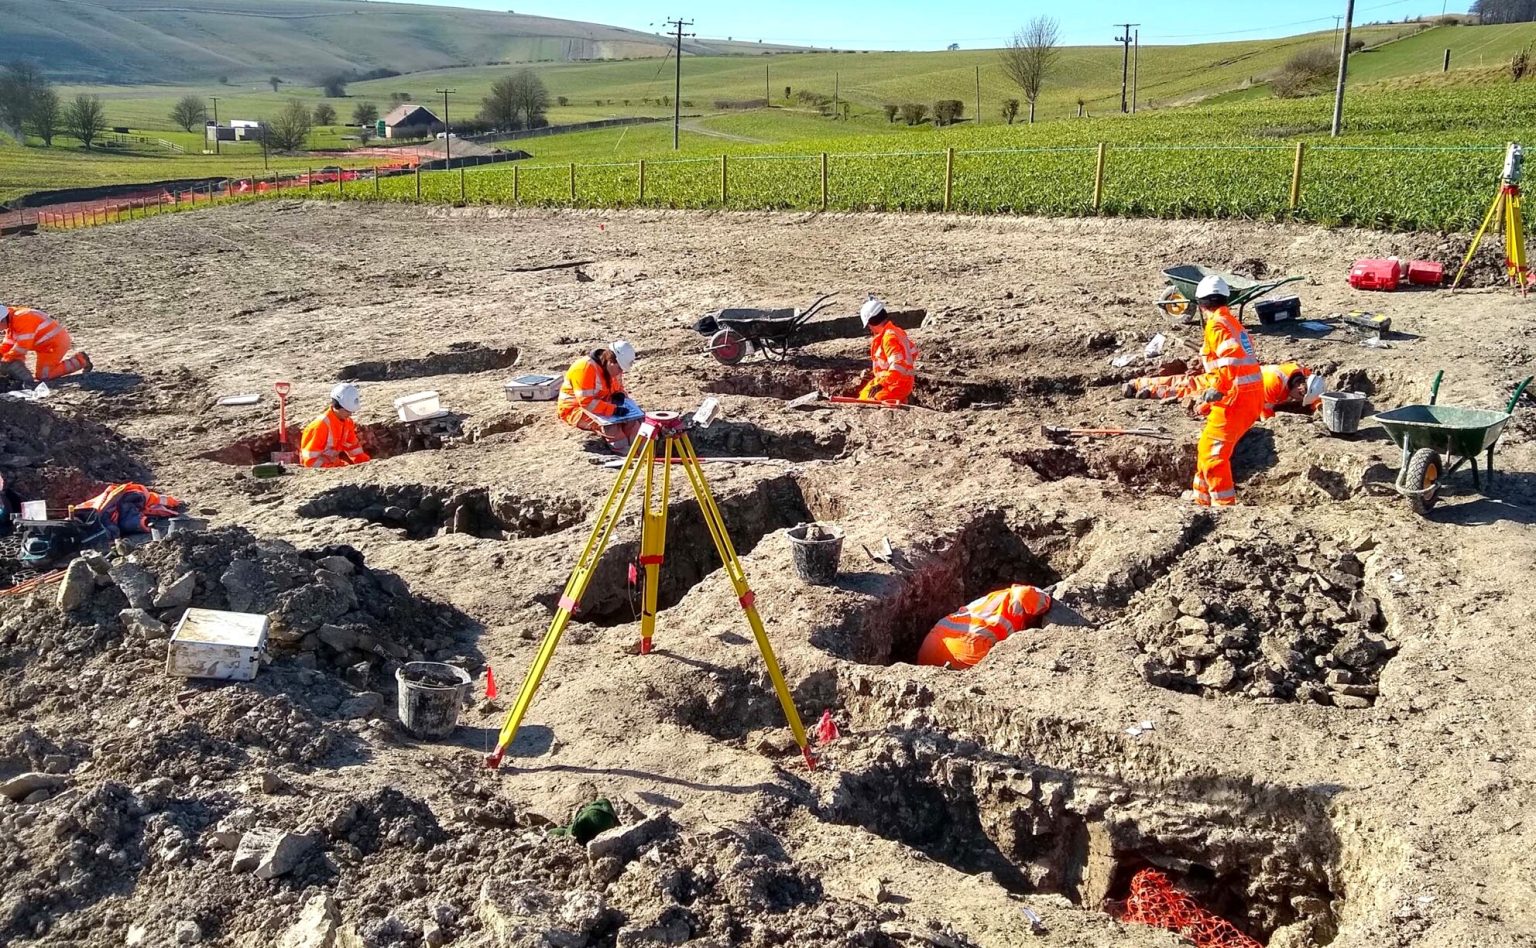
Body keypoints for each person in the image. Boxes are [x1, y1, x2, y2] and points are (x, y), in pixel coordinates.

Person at [1187, 275, 1264, 507]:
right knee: (1206, 447)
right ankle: (1201, 501)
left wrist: (1217, 389)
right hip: (1249, 396)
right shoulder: (1232, 322)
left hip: (1235, 398)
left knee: (1213, 455)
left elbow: (1229, 360)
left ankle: (1224, 507)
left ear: (1201, 305)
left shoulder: (1217, 325)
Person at [916, 584, 1053, 670]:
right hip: (966, 649)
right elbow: (1036, 599)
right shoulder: (1018, 602)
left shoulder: (992, 599)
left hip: (931, 644)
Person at [1124, 361, 1322, 419]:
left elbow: (1315, 393)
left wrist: (1319, 405)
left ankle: (1142, 386)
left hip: (1235, 377)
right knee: (1190, 387)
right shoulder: (1273, 383)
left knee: (1190, 382)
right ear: (1300, 387)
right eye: (1298, 397)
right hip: (1229, 384)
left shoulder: (1301, 372)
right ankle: (1142, 386)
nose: (1295, 400)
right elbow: (1264, 412)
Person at [558, 340, 642, 455]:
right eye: (620, 369)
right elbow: (587, 403)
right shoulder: (584, 368)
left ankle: (642, 450)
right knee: (612, 428)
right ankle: (625, 453)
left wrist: (620, 394)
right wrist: (613, 410)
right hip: (575, 409)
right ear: (611, 361)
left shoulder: (613, 368)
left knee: (633, 422)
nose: (620, 373)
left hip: (602, 403)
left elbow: (618, 387)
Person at [0, 302, 92, 384]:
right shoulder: (12, 321)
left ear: (2, 320)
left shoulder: (22, 319)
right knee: (40, 374)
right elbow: (8, 344)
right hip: (45, 346)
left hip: (54, 344)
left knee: (44, 376)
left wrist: (9, 360)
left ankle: (80, 361)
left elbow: (23, 346)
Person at [856, 297, 917, 404]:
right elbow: (913, 352)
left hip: (895, 385)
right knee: (863, 394)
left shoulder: (888, 338)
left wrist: (882, 383)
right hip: (896, 381)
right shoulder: (897, 331)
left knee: (867, 402)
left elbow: (897, 365)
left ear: (871, 322)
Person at [300, 383, 372, 469]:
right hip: (321, 471)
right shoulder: (319, 426)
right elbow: (309, 461)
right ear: (337, 406)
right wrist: (332, 469)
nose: (350, 414)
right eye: (348, 411)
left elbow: (354, 448)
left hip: (334, 465)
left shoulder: (347, 422)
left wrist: (367, 464)